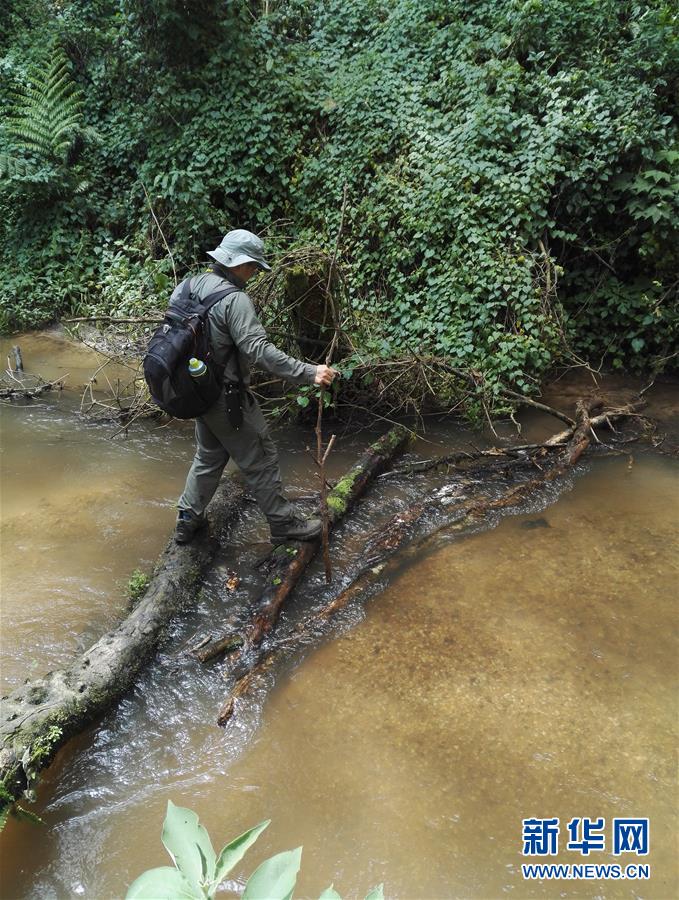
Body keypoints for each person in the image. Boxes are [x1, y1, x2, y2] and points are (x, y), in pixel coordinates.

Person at [175, 229, 338, 545]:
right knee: (261, 457)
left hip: (193, 390)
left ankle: (187, 519)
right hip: (226, 397)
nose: (253, 273)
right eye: (251, 266)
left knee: (208, 455)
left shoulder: (187, 286)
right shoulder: (234, 300)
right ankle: (283, 524)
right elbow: (259, 351)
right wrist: (309, 372)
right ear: (236, 263)